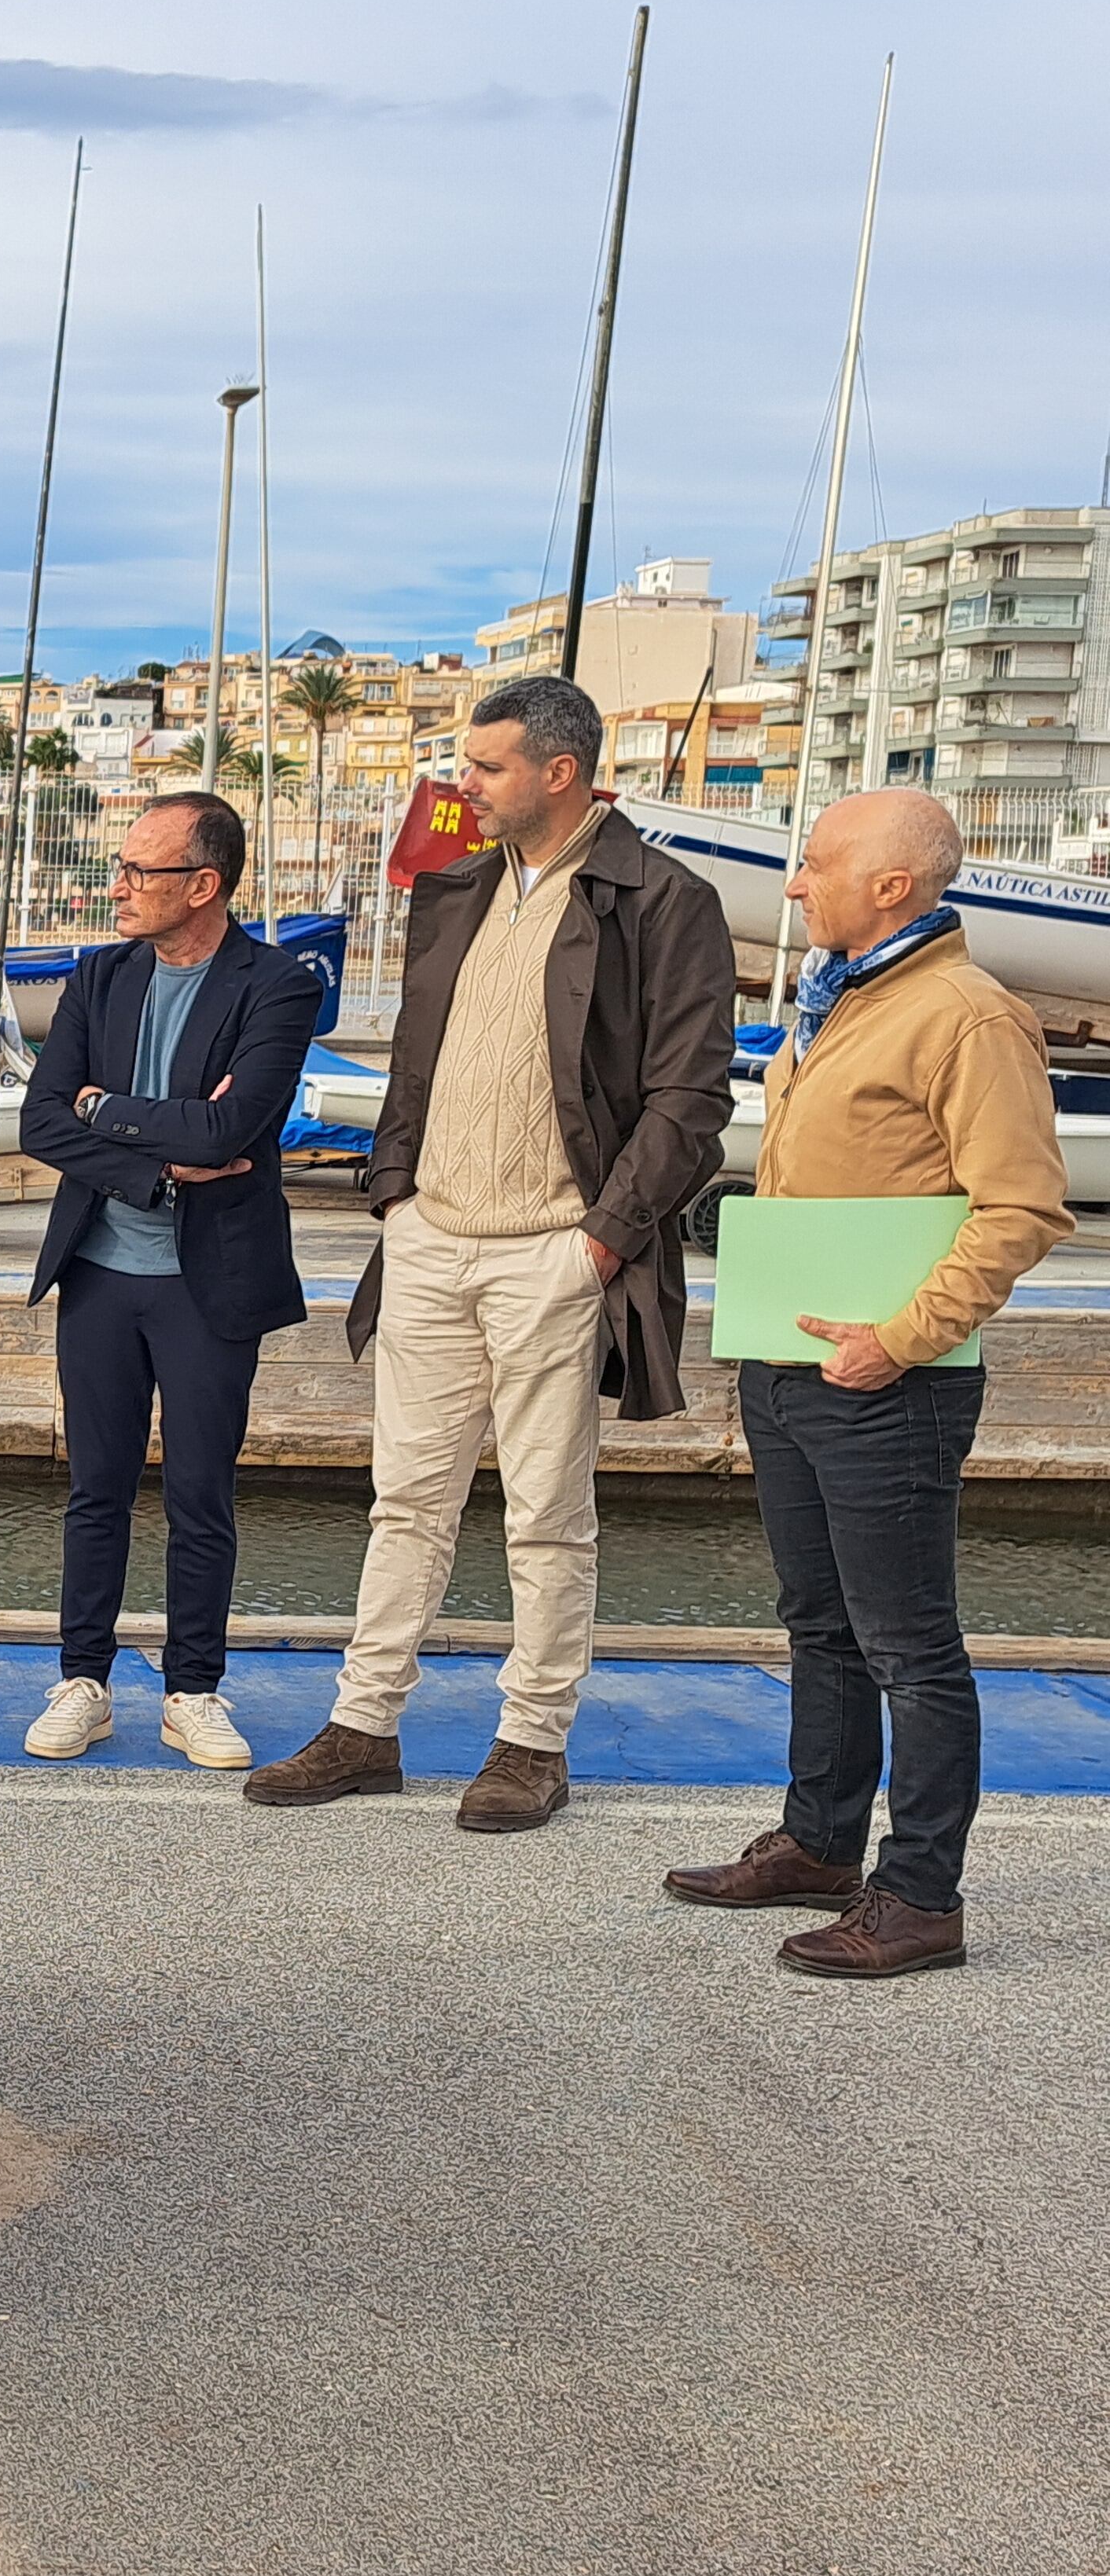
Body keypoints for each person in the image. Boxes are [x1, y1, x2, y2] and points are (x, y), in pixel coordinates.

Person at [246, 675, 733, 1828]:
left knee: (548, 1512)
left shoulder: (663, 901)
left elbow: (689, 1099)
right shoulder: (455, 889)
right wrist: (395, 1198)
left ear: (559, 773)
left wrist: (602, 1243)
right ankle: (365, 1724)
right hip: (432, 1239)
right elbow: (417, 1061)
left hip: (556, 1256)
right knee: (403, 1498)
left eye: (488, 766)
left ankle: (533, 1742)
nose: (464, 783)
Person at [663, 791, 1068, 1977]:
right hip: (791, 1366)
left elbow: (1024, 1207)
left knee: (911, 1646)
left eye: (819, 864)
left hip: (889, 1379)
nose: (796, 885)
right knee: (819, 1625)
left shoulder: (966, 1018)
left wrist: (901, 1336)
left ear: (894, 885)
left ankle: (921, 1897)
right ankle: (819, 1843)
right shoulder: (836, 1002)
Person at [16, 794, 323, 1768]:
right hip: (100, 1274)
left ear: (203, 884)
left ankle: (192, 1689)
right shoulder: (99, 974)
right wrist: (151, 1154)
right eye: (121, 866)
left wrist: (104, 1109)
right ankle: (83, 1681)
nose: (118, 888)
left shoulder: (275, 985)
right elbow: (41, 1123)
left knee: (201, 1492)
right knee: (94, 1491)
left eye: (140, 872)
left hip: (208, 1283)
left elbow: (231, 1133)